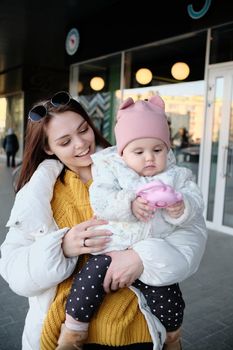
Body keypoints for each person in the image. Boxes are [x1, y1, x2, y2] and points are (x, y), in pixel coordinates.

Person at [0, 91, 207, 350]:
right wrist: (61, 247)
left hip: (141, 328)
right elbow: (13, 270)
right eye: (65, 141)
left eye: (83, 129)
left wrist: (141, 257)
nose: (80, 144)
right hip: (70, 330)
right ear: (47, 148)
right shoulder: (39, 193)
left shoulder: (139, 164)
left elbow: (192, 236)